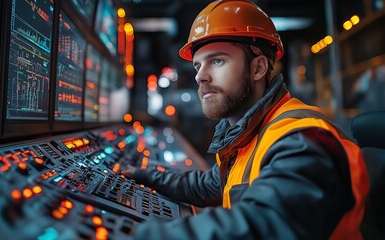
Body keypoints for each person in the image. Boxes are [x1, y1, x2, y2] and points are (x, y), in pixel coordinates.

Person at [122, 0, 369, 239]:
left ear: (258, 68)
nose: (200, 77)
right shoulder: (251, 134)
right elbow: (209, 185)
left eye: (217, 61)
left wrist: (133, 234)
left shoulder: (302, 141)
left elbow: (261, 225)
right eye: (198, 66)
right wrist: (146, 175)